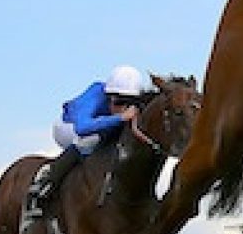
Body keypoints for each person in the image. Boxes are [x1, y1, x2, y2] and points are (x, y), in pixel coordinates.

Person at [23, 65, 153, 225]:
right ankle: (44, 184)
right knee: (88, 141)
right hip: (67, 128)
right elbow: (82, 127)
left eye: (130, 103)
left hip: (96, 126)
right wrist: (120, 118)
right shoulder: (95, 95)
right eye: (120, 102)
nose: (124, 108)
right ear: (108, 96)